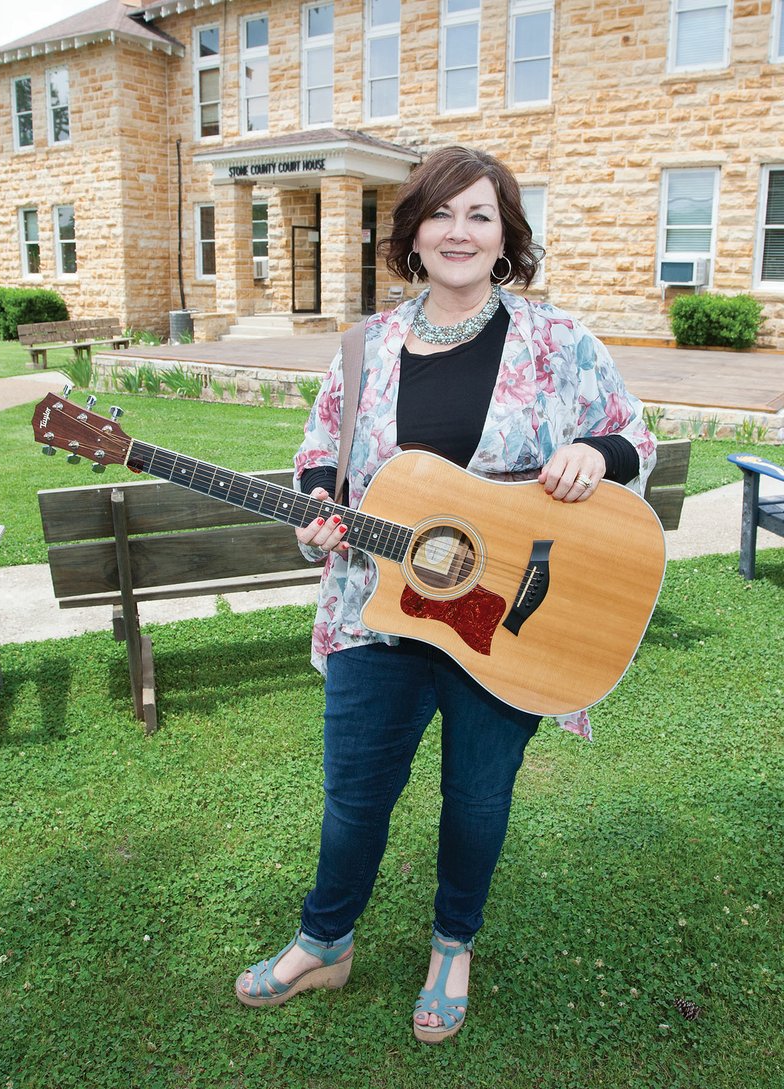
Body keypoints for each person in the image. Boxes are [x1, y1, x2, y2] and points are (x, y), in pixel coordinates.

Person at [235, 145, 657, 1042]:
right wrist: (316, 500)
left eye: (479, 214)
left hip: (511, 620)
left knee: (476, 797)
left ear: (505, 233)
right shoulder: (366, 347)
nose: (458, 232)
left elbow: (633, 439)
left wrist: (598, 456)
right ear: (412, 232)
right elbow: (322, 451)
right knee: (353, 797)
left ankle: (451, 946)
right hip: (376, 611)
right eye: (440, 213)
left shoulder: (557, 341)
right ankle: (325, 939)